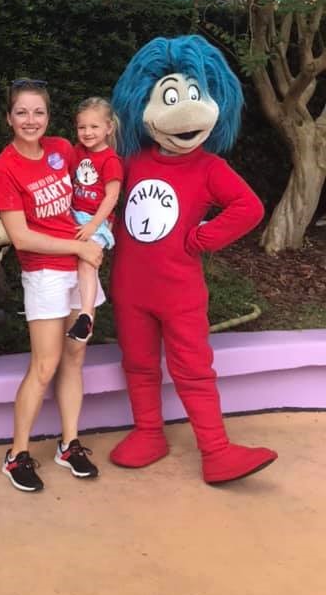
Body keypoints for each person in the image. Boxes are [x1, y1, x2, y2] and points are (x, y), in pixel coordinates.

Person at [109, 35, 277, 484]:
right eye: (169, 96)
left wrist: (203, 237)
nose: (184, 113)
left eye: (194, 95)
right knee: (138, 362)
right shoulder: (133, 160)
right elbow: (101, 190)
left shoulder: (209, 168)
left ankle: (216, 450)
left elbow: (249, 207)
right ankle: (149, 433)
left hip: (180, 291)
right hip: (130, 287)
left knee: (193, 367)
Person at [0, 78, 104, 492]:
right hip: (45, 273)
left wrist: (97, 231)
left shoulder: (62, 149)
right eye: (22, 112)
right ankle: (16, 453)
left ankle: (69, 444)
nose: (30, 120)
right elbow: (21, 238)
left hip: (80, 267)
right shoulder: (4, 169)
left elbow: (91, 187)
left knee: (75, 358)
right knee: (44, 366)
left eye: (38, 112)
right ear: (9, 117)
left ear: (48, 116)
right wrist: (81, 247)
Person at [66, 97, 123, 343]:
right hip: (73, 214)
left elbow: (111, 197)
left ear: (108, 128)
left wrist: (93, 225)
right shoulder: (76, 151)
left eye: (94, 127)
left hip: (95, 219)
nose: (87, 133)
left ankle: (85, 316)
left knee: (87, 264)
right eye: (82, 127)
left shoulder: (110, 160)